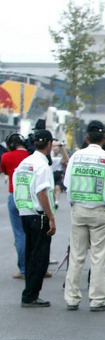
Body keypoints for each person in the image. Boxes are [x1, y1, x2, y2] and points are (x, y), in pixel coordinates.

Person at [63, 121, 105, 312]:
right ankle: (97, 300)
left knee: (77, 255)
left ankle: (72, 298)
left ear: (87, 138)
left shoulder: (75, 157)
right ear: (104, 139)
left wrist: (74, 204)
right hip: (100, 211)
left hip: (78, 209)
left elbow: (67, 185)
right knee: (100, 257)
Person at [13, 128, 56, 307]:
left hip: (25, 212)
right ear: (49, 144)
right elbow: (42, 193)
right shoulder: (42, 165)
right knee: (40, 258)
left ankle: (28, 293)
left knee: (31, 255)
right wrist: (51, 217)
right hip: (38, 215)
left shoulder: (25, 163)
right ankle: (31, 295)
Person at [2, 133, 30, 279]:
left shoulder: (6, 156)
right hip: (30, 197)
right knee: (34, 234)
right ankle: (37, 267)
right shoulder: (31, 155)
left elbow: (5, 171)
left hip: (14, 195)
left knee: (20, 234)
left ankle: (23, 269)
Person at [50, 140, 69, 208]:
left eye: (56, 148)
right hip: (51, 174)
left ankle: (56, 202)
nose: (55, 149)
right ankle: (52, 200)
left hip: (58, 174)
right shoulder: (49, 156)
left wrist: (62, 147)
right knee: (51, 189)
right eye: (54, 148)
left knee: (57, 188)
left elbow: (66, 159)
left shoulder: (60, 157)